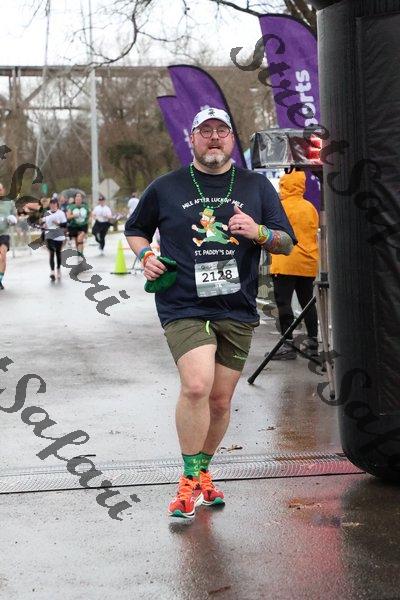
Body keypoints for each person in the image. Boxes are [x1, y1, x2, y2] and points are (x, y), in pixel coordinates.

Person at [125, 107, 296, 519]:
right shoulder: (166, 186)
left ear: (232, 138)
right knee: (197, 385)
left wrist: (259, 232)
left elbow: (286, 242)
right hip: (182, 302)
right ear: (192, 139)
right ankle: (187, 480)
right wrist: (146, 256)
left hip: (237, 306)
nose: (214, 137)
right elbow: (136, 229)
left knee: (219, 401)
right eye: (205, 131)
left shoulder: (256, 186)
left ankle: (202, 471)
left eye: (222, 130)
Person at [269, 168, 319, 360]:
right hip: (307, 262)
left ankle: (288, 344)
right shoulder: (310, 207)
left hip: (285, 261)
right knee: (308, 303)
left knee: (284, 303)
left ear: (285, 185)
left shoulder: (280, 207)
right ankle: (313, 343)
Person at [42, 197, 67, 281]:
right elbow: (43, 223)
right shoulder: (46, 213)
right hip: (49, 235)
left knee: (58, 253)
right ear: (50, 205)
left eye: (54, 203)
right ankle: (52, 272)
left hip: (59, 236)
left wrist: (58, 223)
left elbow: (65, 225)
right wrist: (44, 225)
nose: (53, 205)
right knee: (51, 252)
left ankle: (58, 269)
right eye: (51, 203)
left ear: (57, 204)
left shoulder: (61, 213)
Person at [0, 182, 18, 290]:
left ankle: (0, 280)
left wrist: (13, 220)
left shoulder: (9, 202)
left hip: (4, 234)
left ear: (3, 190)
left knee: (3, 257)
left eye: (0, 189)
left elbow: (15, 217)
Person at [66, 192, 89, 257]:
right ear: (75, 200)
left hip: (83, 225)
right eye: (77, 199)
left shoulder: (85, 206)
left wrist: (89, 219)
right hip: (74, 225)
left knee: (80, 238)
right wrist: (74, 215)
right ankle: (80, 252)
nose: (78, 200)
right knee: (77, 241)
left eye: (79, 199)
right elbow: (68, 216)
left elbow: (90, 214)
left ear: (81, 200)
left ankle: (80, 253)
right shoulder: (71, 207)